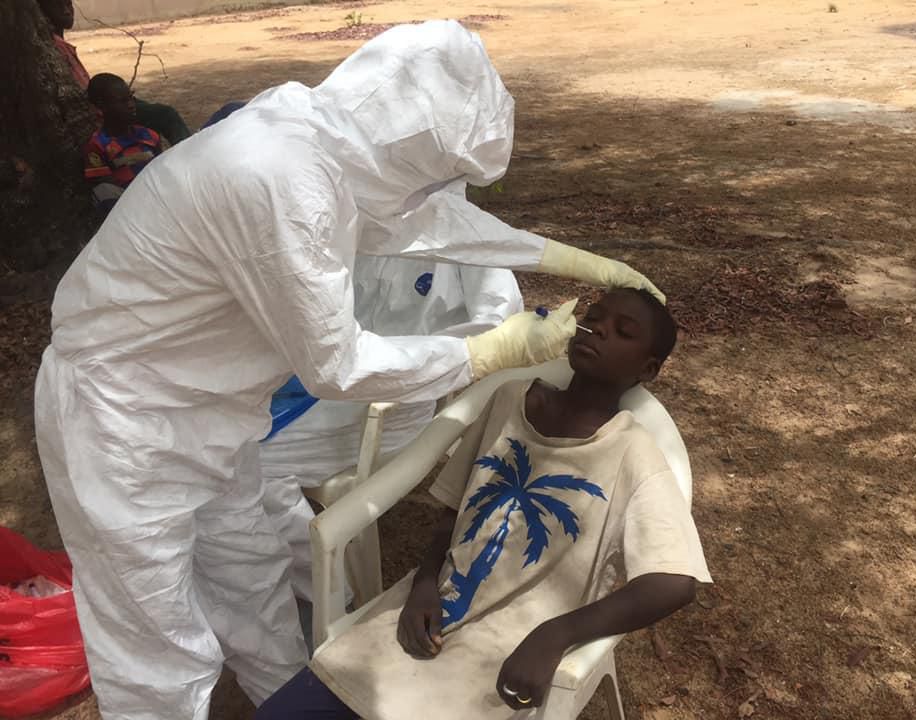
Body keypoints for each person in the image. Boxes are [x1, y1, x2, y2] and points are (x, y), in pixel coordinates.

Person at [35, 20, 665, 720]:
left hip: (210, 411)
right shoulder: (278, 178)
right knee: (155, 641)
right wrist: (487, 351)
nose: (435, 187)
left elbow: (417, 222)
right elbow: (339, 364)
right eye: (435, 168)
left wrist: (556, 256)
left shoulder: (323, 142)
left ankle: (290, 703)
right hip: (121, 418)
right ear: (407, 136)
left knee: (249, 576)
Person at [256, 287, 712, 719]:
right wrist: (424, 582)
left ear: (648, 370)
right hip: (432, 612)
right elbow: (456, 510)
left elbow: (672, 582)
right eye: (593, 319)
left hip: (507, 649)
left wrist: (556, 635)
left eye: (623, 331)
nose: (598, 330)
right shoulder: (509, 400)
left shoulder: (633, 454)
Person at [261, 253, 524, 602]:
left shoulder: (469, 245)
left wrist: (423, 362)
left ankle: (327, 598)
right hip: (322, 385)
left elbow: (498, 328)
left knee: (253, 463)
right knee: (226, 433)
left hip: (394, 406)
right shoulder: (361, 220)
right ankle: (270, 573)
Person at [38, 0, 192, 145]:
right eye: (58, 6)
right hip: (99, 111)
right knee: (166, 115)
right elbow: (80, 95)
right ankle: (192, 155)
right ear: (42, 13)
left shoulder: (58, 44)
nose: (67, 11)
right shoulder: (55, 47)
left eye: (68, 4)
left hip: (102, 103)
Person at [82, 73, 164, 214]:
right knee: (103, 190)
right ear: (103, 106)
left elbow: (162, 170)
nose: (132, 105)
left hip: (157, 195)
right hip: (127, 205)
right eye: (123, 101)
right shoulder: (97, 145)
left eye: (131, 98)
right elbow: (102, 182)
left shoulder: (150, 136)